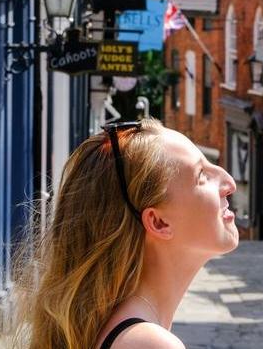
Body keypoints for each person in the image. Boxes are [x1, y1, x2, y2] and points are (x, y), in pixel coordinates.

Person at [13, 119, 239, 349]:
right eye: (202, 175)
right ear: (158, 222)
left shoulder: (120, 330)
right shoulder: (148, 344)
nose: (229, 183)